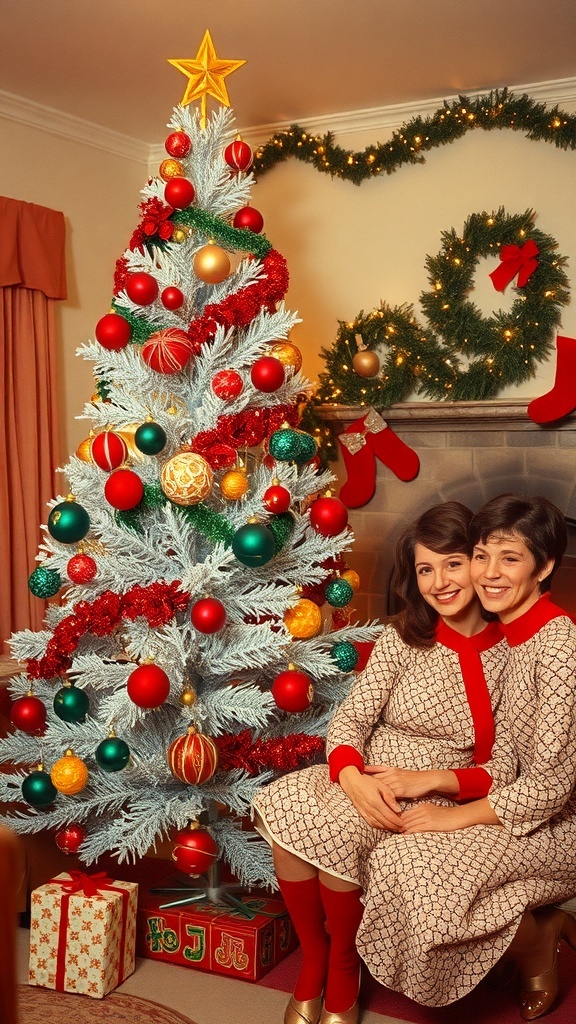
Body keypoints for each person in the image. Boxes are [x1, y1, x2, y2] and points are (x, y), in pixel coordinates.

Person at [252, 501, 516, 1024]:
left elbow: (508, 770)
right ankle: (317, 961)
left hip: (440, 793)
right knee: (287, 808)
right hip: (366, 775)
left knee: (337, 831)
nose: (439, 581)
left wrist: (428, 782)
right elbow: (349, 724)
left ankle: (344, 969)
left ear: (480, 563)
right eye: (424, 568)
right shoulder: (401, 637)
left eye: (452, 562)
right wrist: (350, 776)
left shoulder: (515, 650)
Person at [359, 493, 576, 1021]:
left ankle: (532, 944)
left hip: (558, 826)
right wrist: (427, 779)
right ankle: (538, 927)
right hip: (511, 807)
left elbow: (552, 786)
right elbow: (503, 762)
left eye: (510, 557)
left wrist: (453, 819)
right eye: (481, 555)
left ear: (544, 567)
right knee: (395, 853)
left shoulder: (560, 643)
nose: (490, 573)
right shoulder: (515, 640)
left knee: (415, 865)